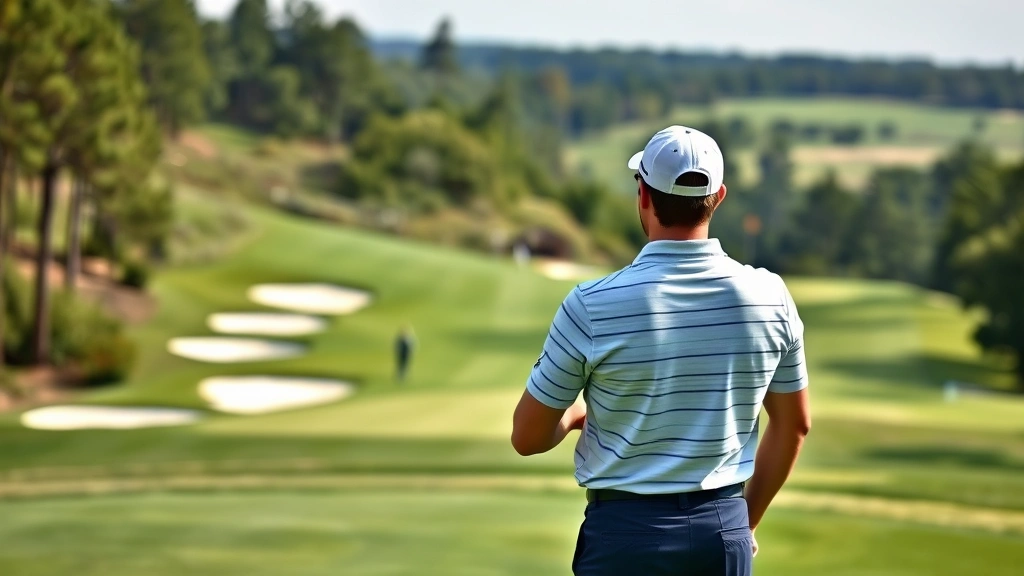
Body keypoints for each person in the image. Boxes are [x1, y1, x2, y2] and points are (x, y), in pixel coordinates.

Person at [511, 126, 811, 575]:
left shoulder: (591, 304)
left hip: (623, 537)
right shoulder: (771, 296)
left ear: (644, 197)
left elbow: (527, 437)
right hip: (722, 530)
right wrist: (743, 525)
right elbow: (795, 426)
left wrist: (575, 417)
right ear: (719, 197)